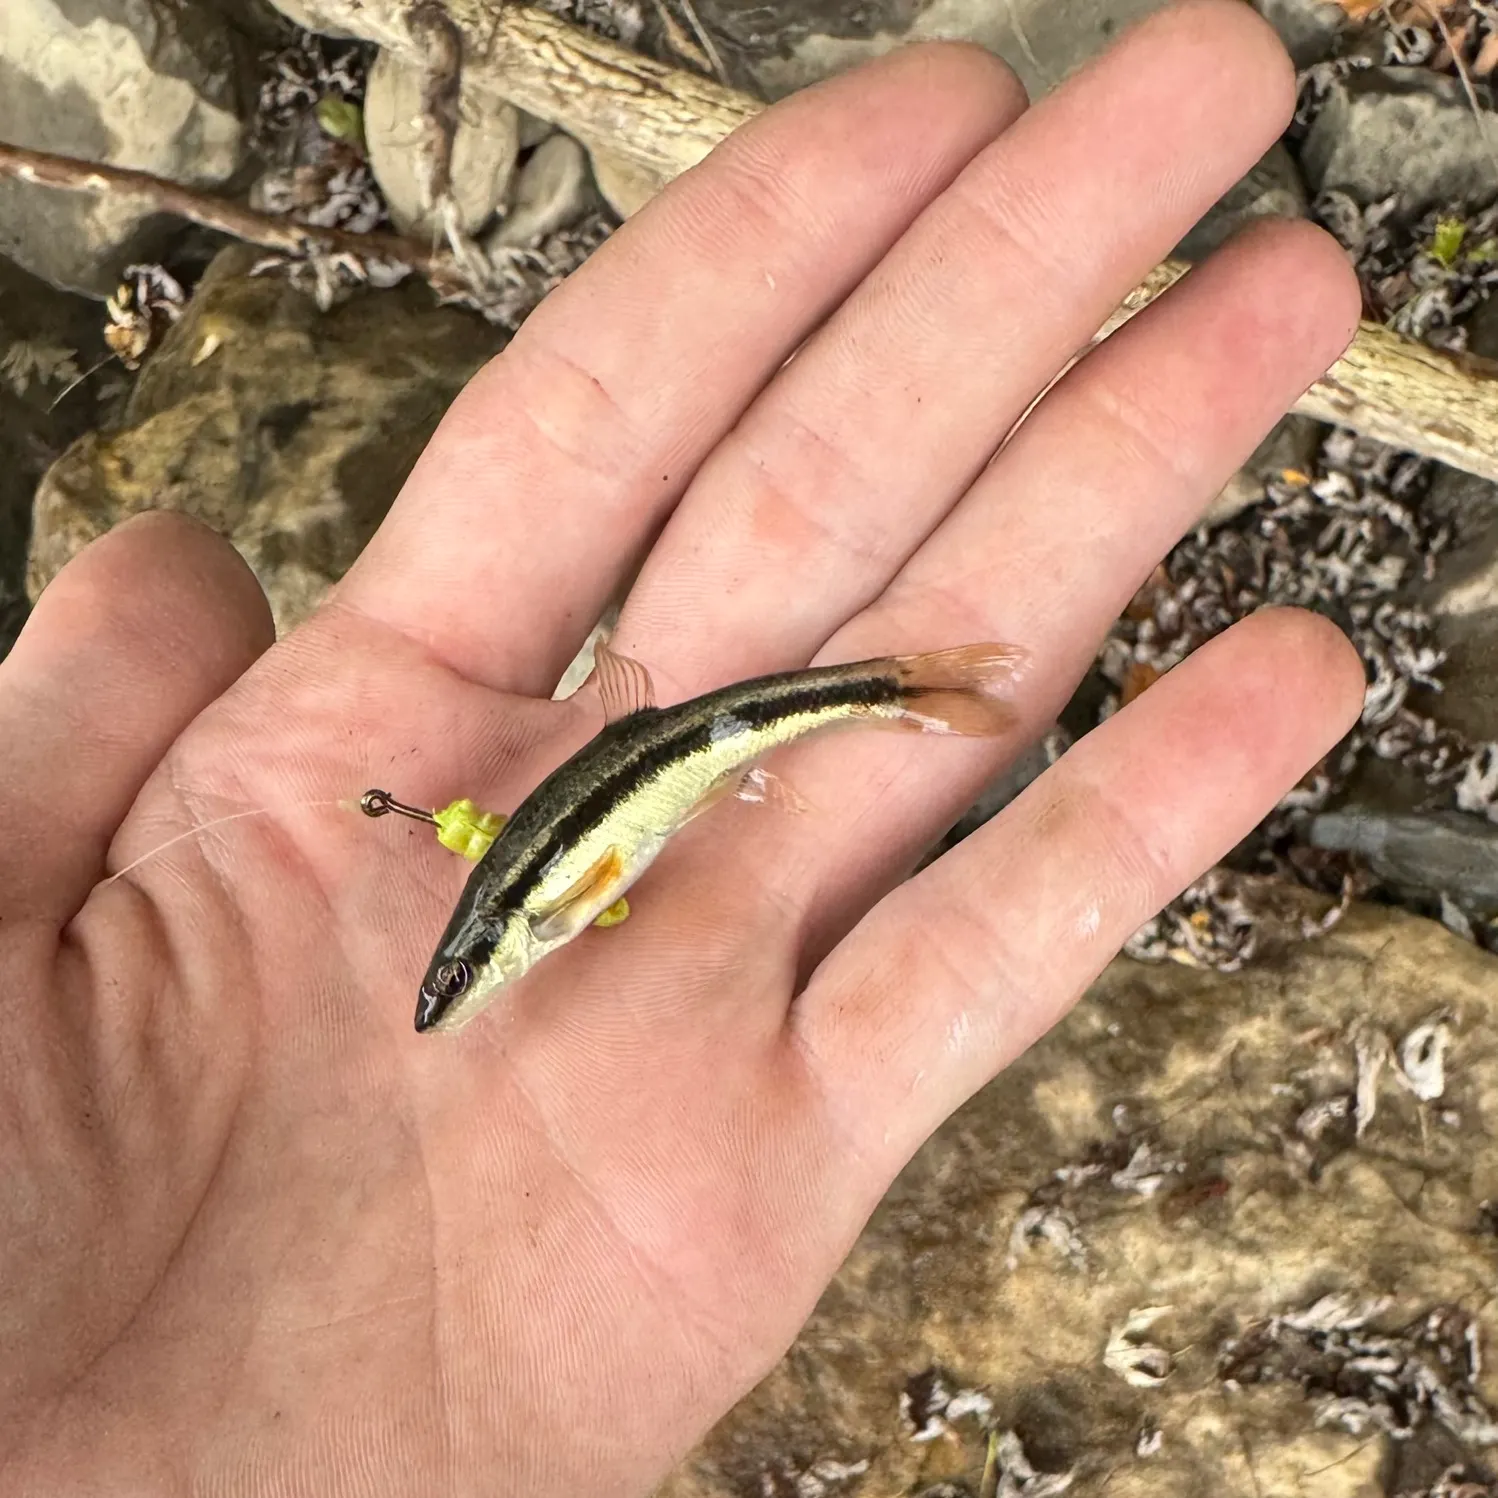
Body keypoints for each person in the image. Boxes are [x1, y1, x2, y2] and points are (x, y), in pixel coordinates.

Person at [0, 1, 1365, 1490]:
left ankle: (890, 687)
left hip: (687, 741)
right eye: (462, 973)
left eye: (464, 970)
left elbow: (570, 875)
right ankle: (892, 687)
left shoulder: (524, 906)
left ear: (488, 946)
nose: (460, 990)